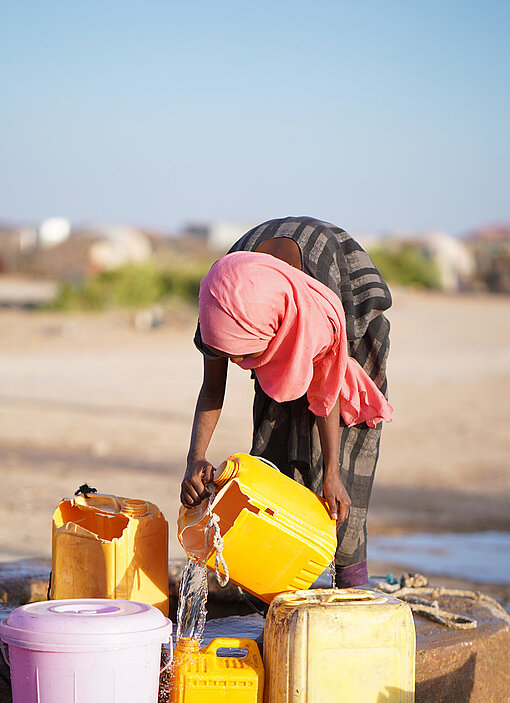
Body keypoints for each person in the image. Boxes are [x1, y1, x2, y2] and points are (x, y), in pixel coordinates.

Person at [180, 216, 392, 587]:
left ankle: (351, 582)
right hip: (263, 307)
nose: (238, 366)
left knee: (347, 455)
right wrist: (194, 458)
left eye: (244, 357)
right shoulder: (222, 303)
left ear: (272, 334)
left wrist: (331, 472)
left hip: (346, 313)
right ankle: (282, 582)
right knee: (273, 445)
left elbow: (328, 389)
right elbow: (212, 388)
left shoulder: (315, 311)